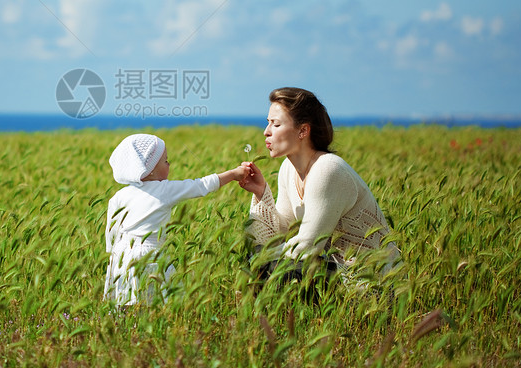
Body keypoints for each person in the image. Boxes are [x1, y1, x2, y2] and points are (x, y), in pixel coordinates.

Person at [239, 87, 400, 299]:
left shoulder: (328, 169)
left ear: (303, 131)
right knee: (263, 265)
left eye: (276, 124)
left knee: (281, 272)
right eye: (268, 122)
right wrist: (261, 193)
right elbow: (281, 232)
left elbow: (306, 247)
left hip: (374, 287)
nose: (266, 132)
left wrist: (260, 261)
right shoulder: (288, 169)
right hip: (337, 278)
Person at [104, 133, 250, 306]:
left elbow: (111, 232)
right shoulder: (165, 189)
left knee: (125, 303)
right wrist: (233, 174)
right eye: (165, 161)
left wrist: (114, 255)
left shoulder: (119, 196)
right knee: (154, 304)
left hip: (121, 256)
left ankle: (127, 330)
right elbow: (201, 185)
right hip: (151, 256)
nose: (169, 164)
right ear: (150, 168)